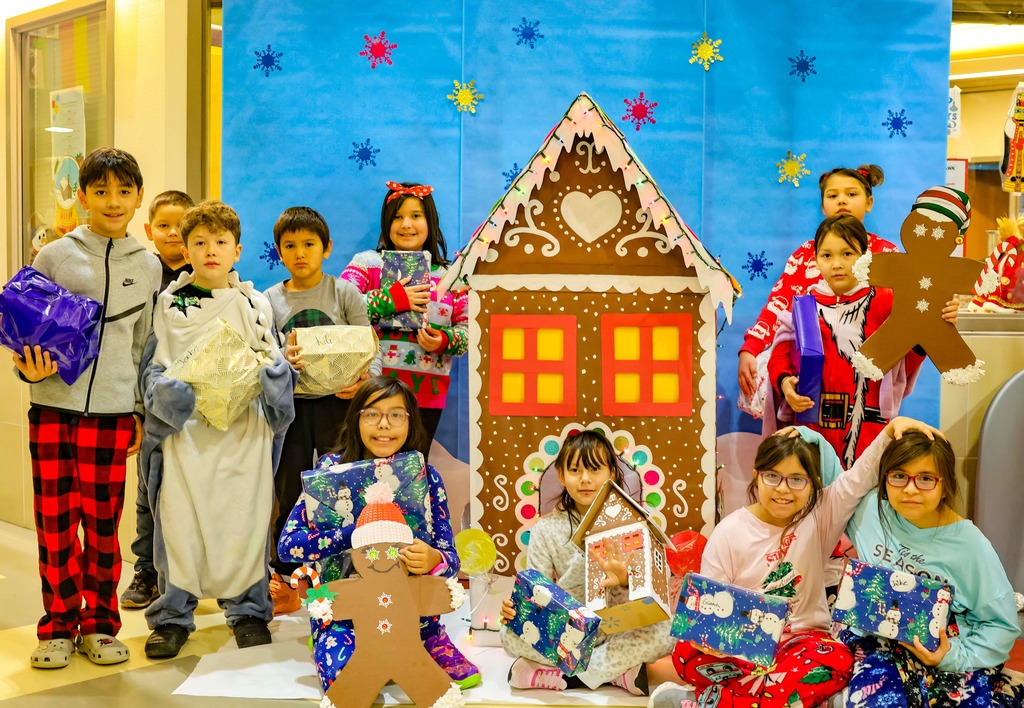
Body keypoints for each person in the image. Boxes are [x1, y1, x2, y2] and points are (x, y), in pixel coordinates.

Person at [650, 417, 939, 708]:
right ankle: (788, 699)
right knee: (686, 654)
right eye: (772, 476)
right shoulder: (729, 532)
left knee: (836, 660)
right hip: (742, 651)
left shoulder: (820, 515)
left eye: (796, 479)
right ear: (756, 475)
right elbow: (711, 615)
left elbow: (859, 478)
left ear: (812, 483)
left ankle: (705, 701)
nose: (783, 489)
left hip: (802, 643)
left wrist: (890, 432)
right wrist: (708, 640)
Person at [15, 147, 160, 668]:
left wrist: (141, 410)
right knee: (54, 522)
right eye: (100, 191)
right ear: (83, 197)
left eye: (124, 191)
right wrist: (25, 369)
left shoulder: (149, 266)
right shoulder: (54, 255)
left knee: (103, 526)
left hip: (114, 414)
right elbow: (26, 327)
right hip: (52, 407)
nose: (113, 201)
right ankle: (56, 626)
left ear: (138, 198)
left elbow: (148, 345)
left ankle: (99, 626)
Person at [140, 200, 295, 659]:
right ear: (184, 249)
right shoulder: (172, 303)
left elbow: (274, 359)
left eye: (220, 242)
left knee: (244, 519)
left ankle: (248, 610)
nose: (211, 251)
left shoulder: (254, 302)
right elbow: (155, 364)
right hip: (188, 433)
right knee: (181, 520)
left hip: (243, 431)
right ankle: (172, 616)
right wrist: (167, 394)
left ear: (238, 249)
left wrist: (275, 381)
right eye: (200, 242)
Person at [278, 376, 481, 691]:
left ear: (410, 422)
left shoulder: (425, 477)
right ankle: (327, 636)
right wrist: (355, 533)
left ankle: (427, 637)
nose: (384, 424)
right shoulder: (329, 473)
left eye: (396, 415)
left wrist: (433, 559)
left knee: (437, 677)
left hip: (412, 613)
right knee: (350, 683)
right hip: (343, 608)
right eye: (372, 414)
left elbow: (450, 560)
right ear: (355, 417)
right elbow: (288, 547)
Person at [839, 432, 1023, 707]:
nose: (910, 489)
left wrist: (951, 657)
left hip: (946, 645)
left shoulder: (971, 547)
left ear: (946, 486)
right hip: (878, 638)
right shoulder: (869, 510)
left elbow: (1001, 625)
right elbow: (828, 473)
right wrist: (805, 435)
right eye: (899, 475)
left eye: (926, 479)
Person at [767, 214, 961, 469]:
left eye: (847, 254)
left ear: (865, 256)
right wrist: (785, 385)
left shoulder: (886, 301)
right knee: (814, 498)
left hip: (869, 427)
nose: (837, 264)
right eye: (827, 256)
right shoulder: (804, 307)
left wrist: (938, 321)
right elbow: (779, 355)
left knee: (863, 497)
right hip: (813, 427)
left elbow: (908, 353)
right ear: (815, 260)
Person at [263, 205, 380, 615]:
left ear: (326, 248)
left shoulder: (344, 293)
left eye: (309, 244)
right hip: (291, 410)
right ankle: (286, 580)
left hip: (339, 407)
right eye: (290, 246)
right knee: (289, 492)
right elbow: (264, 353)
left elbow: (371, 347)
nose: (300, 253)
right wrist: (282, 357)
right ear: (279, 252)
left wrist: (366, 382)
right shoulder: (269, 300)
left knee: (341, 490)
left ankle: (345, 573)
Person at [498, 430, 676, 696]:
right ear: (561, 475)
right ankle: (617, 674)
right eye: (574, 470)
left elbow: (656, 591)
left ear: (612, 474)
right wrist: (519, 608)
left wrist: (626, 580)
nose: (585, 479)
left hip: (618, 628)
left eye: (595, 469)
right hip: (570, 630)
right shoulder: (546, 529)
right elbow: (537, 592)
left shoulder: (635, 521)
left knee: (667, 632)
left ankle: (566, 676)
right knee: (510, 634)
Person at [738, 165, 898, 413]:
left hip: (864, 378)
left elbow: (906, 313)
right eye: (832, 196)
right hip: (810, 375)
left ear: (869, 202)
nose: (842, 200)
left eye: (852, 194)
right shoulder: (806, 253)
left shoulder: (886, 254)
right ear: (823, 206)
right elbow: (780, 304)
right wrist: (752, 346)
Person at [341, 181, 468, 450]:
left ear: (430, 221)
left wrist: (443, 341)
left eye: (416, 216)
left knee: (413, 472)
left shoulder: (451, 276)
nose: (406, 224)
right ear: (386, 222)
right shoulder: (366, 264)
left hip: (426, 395)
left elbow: (469, 330)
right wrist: (392, 300)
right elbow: (340, 307)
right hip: (371, 388)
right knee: (366, 469)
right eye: (397, 217)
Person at [120, 189, 196, 611]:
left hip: (198, 408)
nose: (174, 234)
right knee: (148, 492)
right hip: (150, 406)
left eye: (183, 226)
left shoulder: (208, 276)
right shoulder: (144, 276)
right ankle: (147, 571)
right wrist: (135, 406)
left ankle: (195, 572)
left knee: (195, 490)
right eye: (164, 226)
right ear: (148, 230)